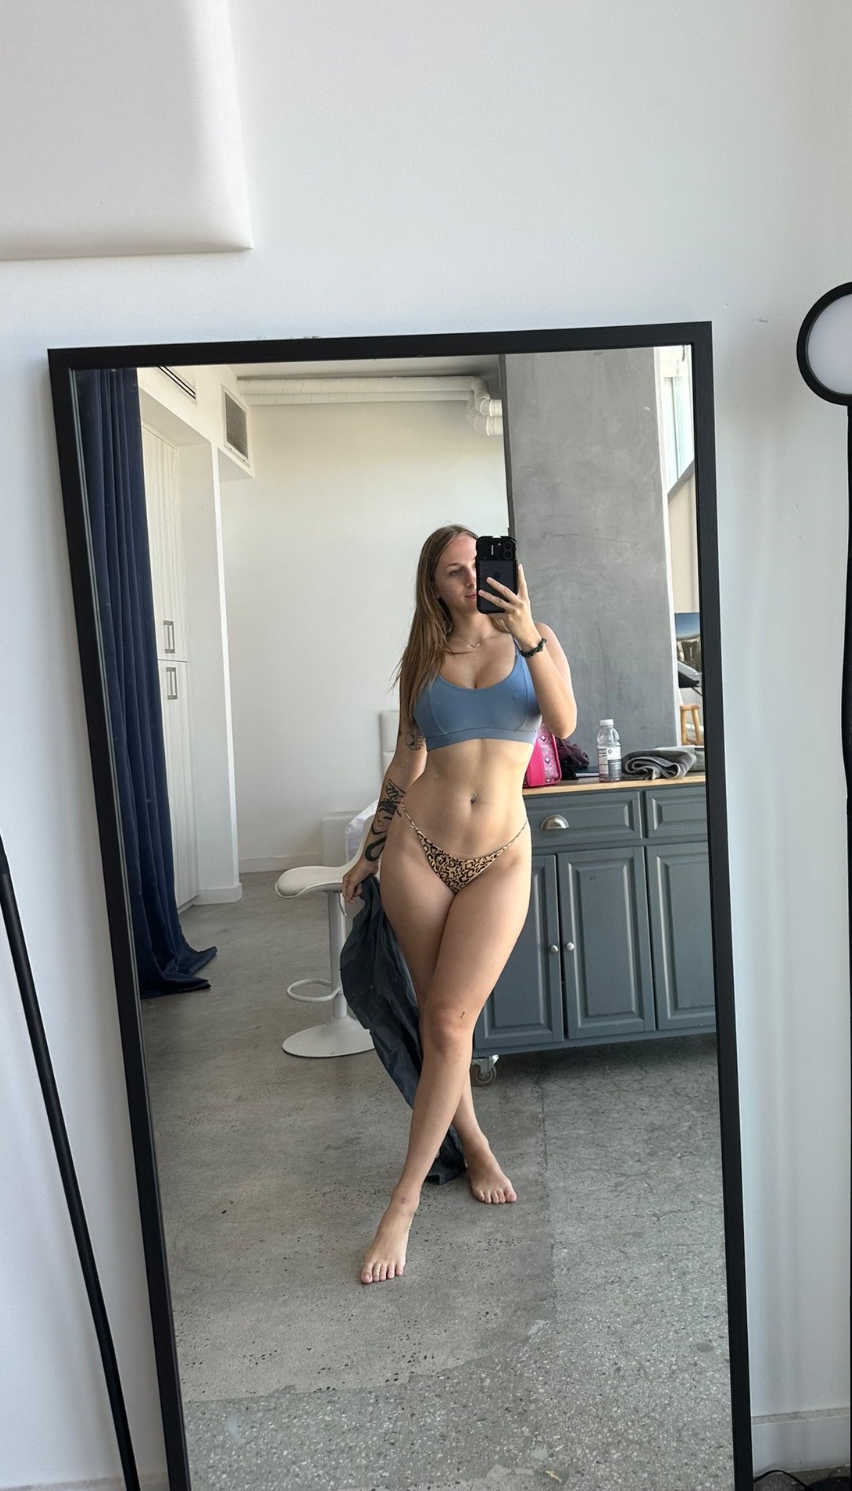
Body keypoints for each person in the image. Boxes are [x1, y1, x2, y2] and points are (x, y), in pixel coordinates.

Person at [341, 524, 577, 1284]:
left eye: (479, 563)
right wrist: (371, 850)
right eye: (454, 570)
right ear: (434, 586)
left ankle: (401, 1203)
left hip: (498, 859)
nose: (472, 578)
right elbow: (405, 762)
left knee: (448, 1020)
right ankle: (472, 1145)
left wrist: (526, 633)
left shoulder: (537, 639)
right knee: (444, 1024)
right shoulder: (422, 660)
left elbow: (565, 725)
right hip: (419, 853)